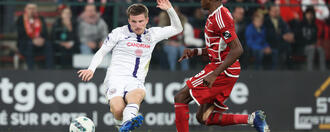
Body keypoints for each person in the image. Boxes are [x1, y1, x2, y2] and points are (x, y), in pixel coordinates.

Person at [77, 0, 183, 131]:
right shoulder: (118, 33)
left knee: (136, 96)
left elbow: (178, 28)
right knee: (118, 109)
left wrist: (170, 9)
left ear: (146, 19)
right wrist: (91, 69)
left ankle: (127, 125)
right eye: (133, 21)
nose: (137, 25)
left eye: (140, 21)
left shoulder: (153, 34)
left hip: (136, 80)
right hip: (115, 79)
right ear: (128, 20)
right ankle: (124, 124)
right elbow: (102, 51)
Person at [173, 0, 270, 132]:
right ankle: (253, 119)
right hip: (224, 68)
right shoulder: (215, 15)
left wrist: (214, 74)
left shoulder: (220, 17)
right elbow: (218, 47)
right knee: (203, 117)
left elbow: (237, 49)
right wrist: (196, 51)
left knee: (180, 97)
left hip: (223, 69)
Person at [16, 3, 54, 70]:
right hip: (26, 43)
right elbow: (21, 34)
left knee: (48, 45)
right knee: (29, 45)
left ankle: (49, 70)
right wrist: (33, 40)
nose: (32, 10)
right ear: (25, 9)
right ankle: (31, 70)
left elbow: (45, 33)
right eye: (30, 8)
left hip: (40, 44)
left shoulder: (40, 18)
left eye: (34, 8)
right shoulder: (21, 19)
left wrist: (42, 39)